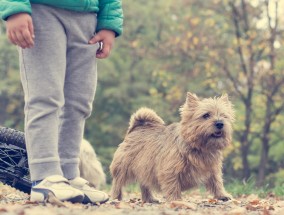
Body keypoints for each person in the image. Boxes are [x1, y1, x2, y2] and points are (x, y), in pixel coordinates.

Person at [0, 0, 123, 204]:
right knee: (45, 97)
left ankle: (67, 175)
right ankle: (45, 177)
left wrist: (109, 23)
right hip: (43, 11)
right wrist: (15, 8)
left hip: (88, 19)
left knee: (79, 103)